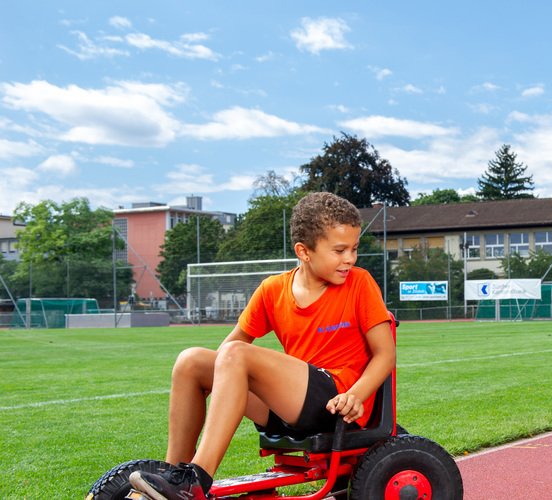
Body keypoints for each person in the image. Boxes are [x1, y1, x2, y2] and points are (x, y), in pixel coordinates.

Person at [129, 192, 395, 500]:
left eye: (354, 248)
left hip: (337, 402)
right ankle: (172, 476)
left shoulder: (359, 284)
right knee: (191, 361)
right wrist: (226, 379)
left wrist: (357, 395)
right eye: (339, 250)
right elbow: (223, 356)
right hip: (290, 407)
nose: (350, 258)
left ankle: (196, 480)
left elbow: (385, 354)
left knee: (235, 355)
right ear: (304, 251)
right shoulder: (273, 290)